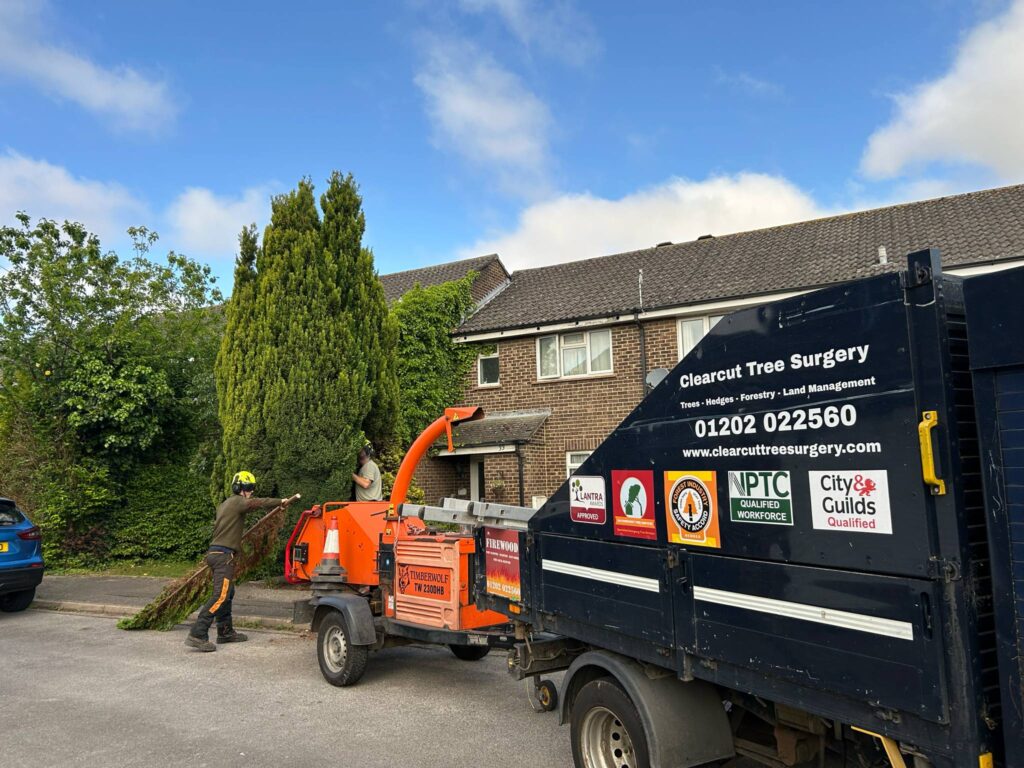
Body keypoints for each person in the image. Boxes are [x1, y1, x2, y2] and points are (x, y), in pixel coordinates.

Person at [185, 471, 292, 652]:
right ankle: (197, 633)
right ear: (240, 488)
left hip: (217, 554)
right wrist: (281, 501)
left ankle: (225, 632)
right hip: (223, 557)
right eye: (249, 488)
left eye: (252, 488)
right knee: (220, 595)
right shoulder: (238, 502)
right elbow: (258, 503)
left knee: (229, 592)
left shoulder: (225, 504)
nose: (251, 491)